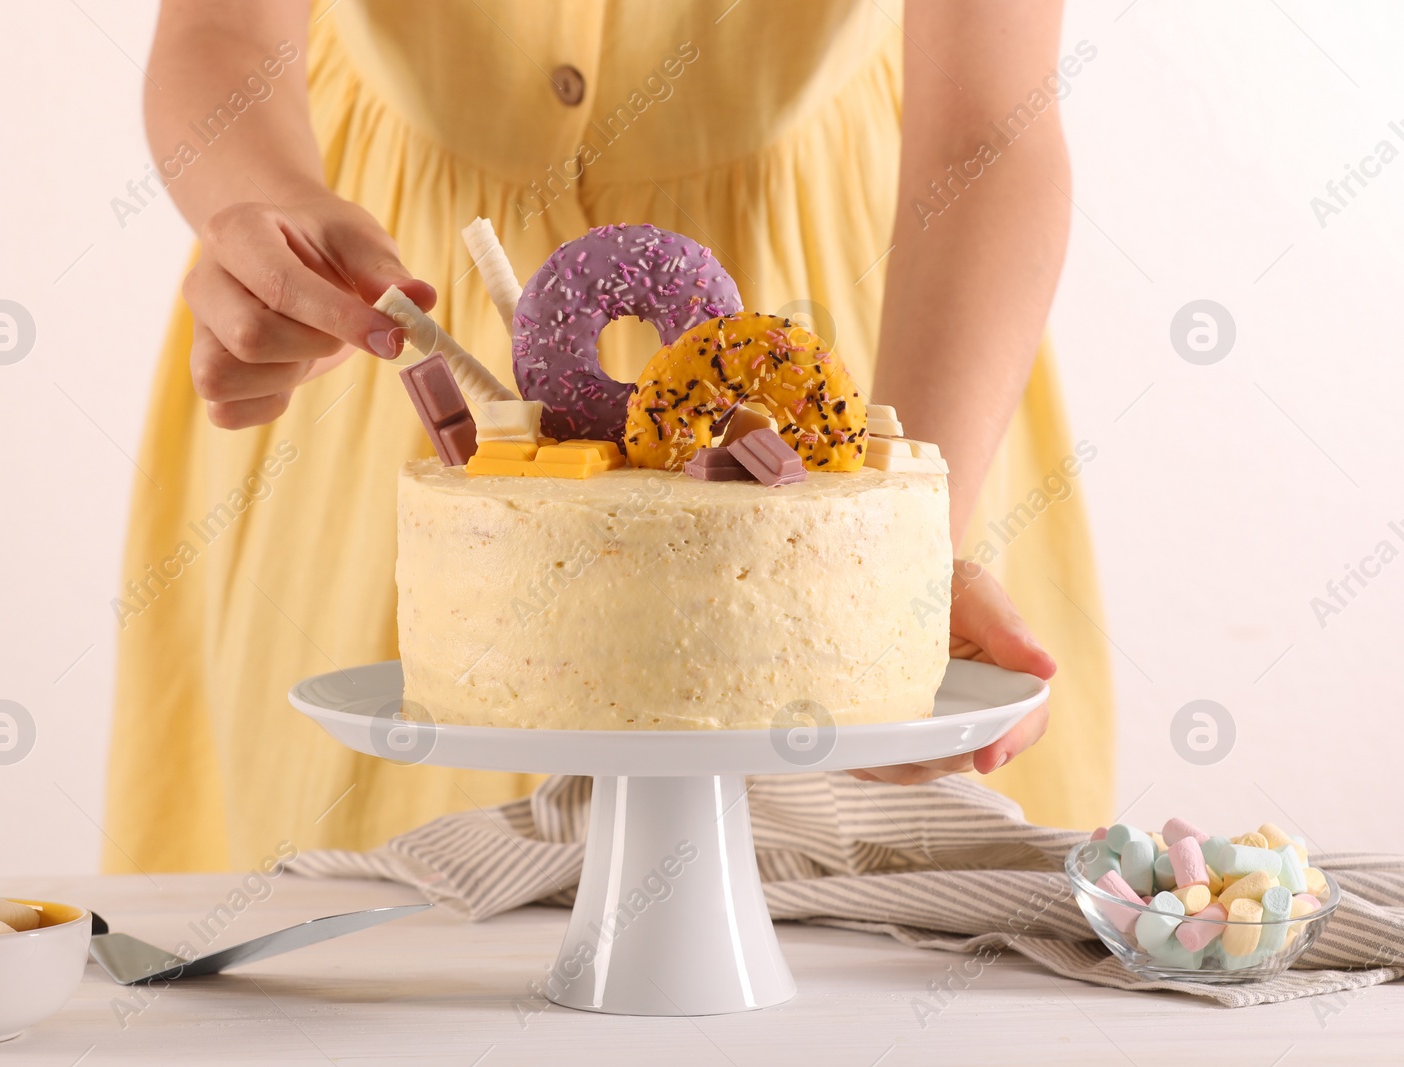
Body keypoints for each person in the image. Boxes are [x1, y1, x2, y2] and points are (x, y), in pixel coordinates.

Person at [104, 0, 1113, 874]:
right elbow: (219, 26)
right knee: (364, 967)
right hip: (405, 357)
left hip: (869, 367)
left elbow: (989, 125)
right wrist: (268, 203)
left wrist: (887, 559)